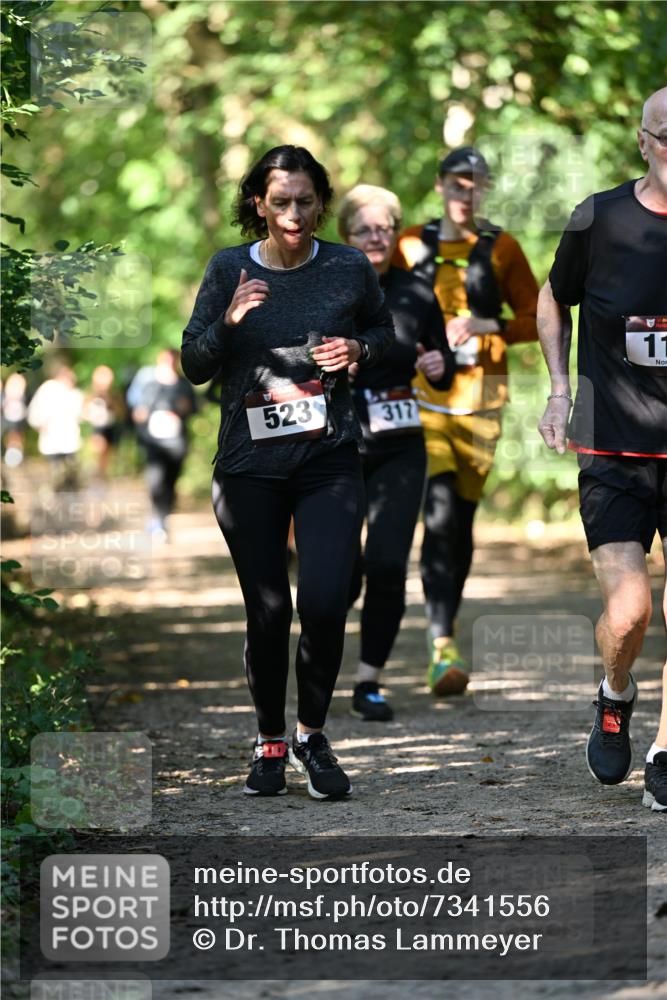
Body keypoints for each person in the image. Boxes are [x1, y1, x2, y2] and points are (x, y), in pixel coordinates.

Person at [181, 145, 394, 799]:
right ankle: (270, 741)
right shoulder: (227, 270)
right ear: (258, 205)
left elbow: (386, 336)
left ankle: (310, 735)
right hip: (249, 470)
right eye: (281, 203)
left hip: (328, 461)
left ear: (320, 203)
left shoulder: (348, 267)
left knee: (326, 601)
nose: (294, 214)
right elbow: (193, 362)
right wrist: (227, 322)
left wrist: (359, 349)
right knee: (268, 608)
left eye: (305, 201)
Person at [537, 87, 667, 812]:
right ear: (643, 143)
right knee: (628, 613)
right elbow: (554, 296)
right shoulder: (600, 216)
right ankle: (614, 691)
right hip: (613, 445)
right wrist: (559, 389)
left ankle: (665, 752)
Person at [394, 147, 538, 696]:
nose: (466, 193)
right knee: (440, 511)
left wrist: (486, 322)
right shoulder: (409, 243)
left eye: (477, 184)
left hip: (484, 401)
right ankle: (441, 646)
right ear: (440, 186)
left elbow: (535, 318)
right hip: (424, 397)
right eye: (458, 183)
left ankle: (445, 628)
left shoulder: (502, 247)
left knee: (462, 521)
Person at [338, 184, 455, 721]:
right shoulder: (329, 285)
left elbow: (445, 365)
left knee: (388, 564)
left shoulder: (415, 291)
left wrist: (438, 368)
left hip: (401, 446)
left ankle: (369, 682)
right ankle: (320, 658)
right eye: (365, 229)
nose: (376, 237)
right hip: (337, 446)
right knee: (340, 571)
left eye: (385, 228)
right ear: (345, 236)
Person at [129, 349, 197, 542]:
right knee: (155, 482)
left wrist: (183, 409)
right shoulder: (149, 384)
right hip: (153, 442)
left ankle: (164, 519)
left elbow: (193, 408)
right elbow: (137, 410)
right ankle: (156, 520)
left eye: (172, 361)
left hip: (176, 443)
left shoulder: (184, 385)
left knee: (170, 483)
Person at [27, 365, 84, 489]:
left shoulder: (74, 393)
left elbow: (79, 414)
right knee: (56, 474)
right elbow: (34, 412)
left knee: (71, 472)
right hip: (52, 440)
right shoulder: (47, 389)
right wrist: (39, 424)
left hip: (69, 441)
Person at [83, 365, 126, 480]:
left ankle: (101, 476)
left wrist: (110, 401)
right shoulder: (90, 395)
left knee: (106, 455)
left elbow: (121, 412)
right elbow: (84, 412)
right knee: (99, 449)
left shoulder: (114, 395)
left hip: (109, 427)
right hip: (96, 427)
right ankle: (96, 474)